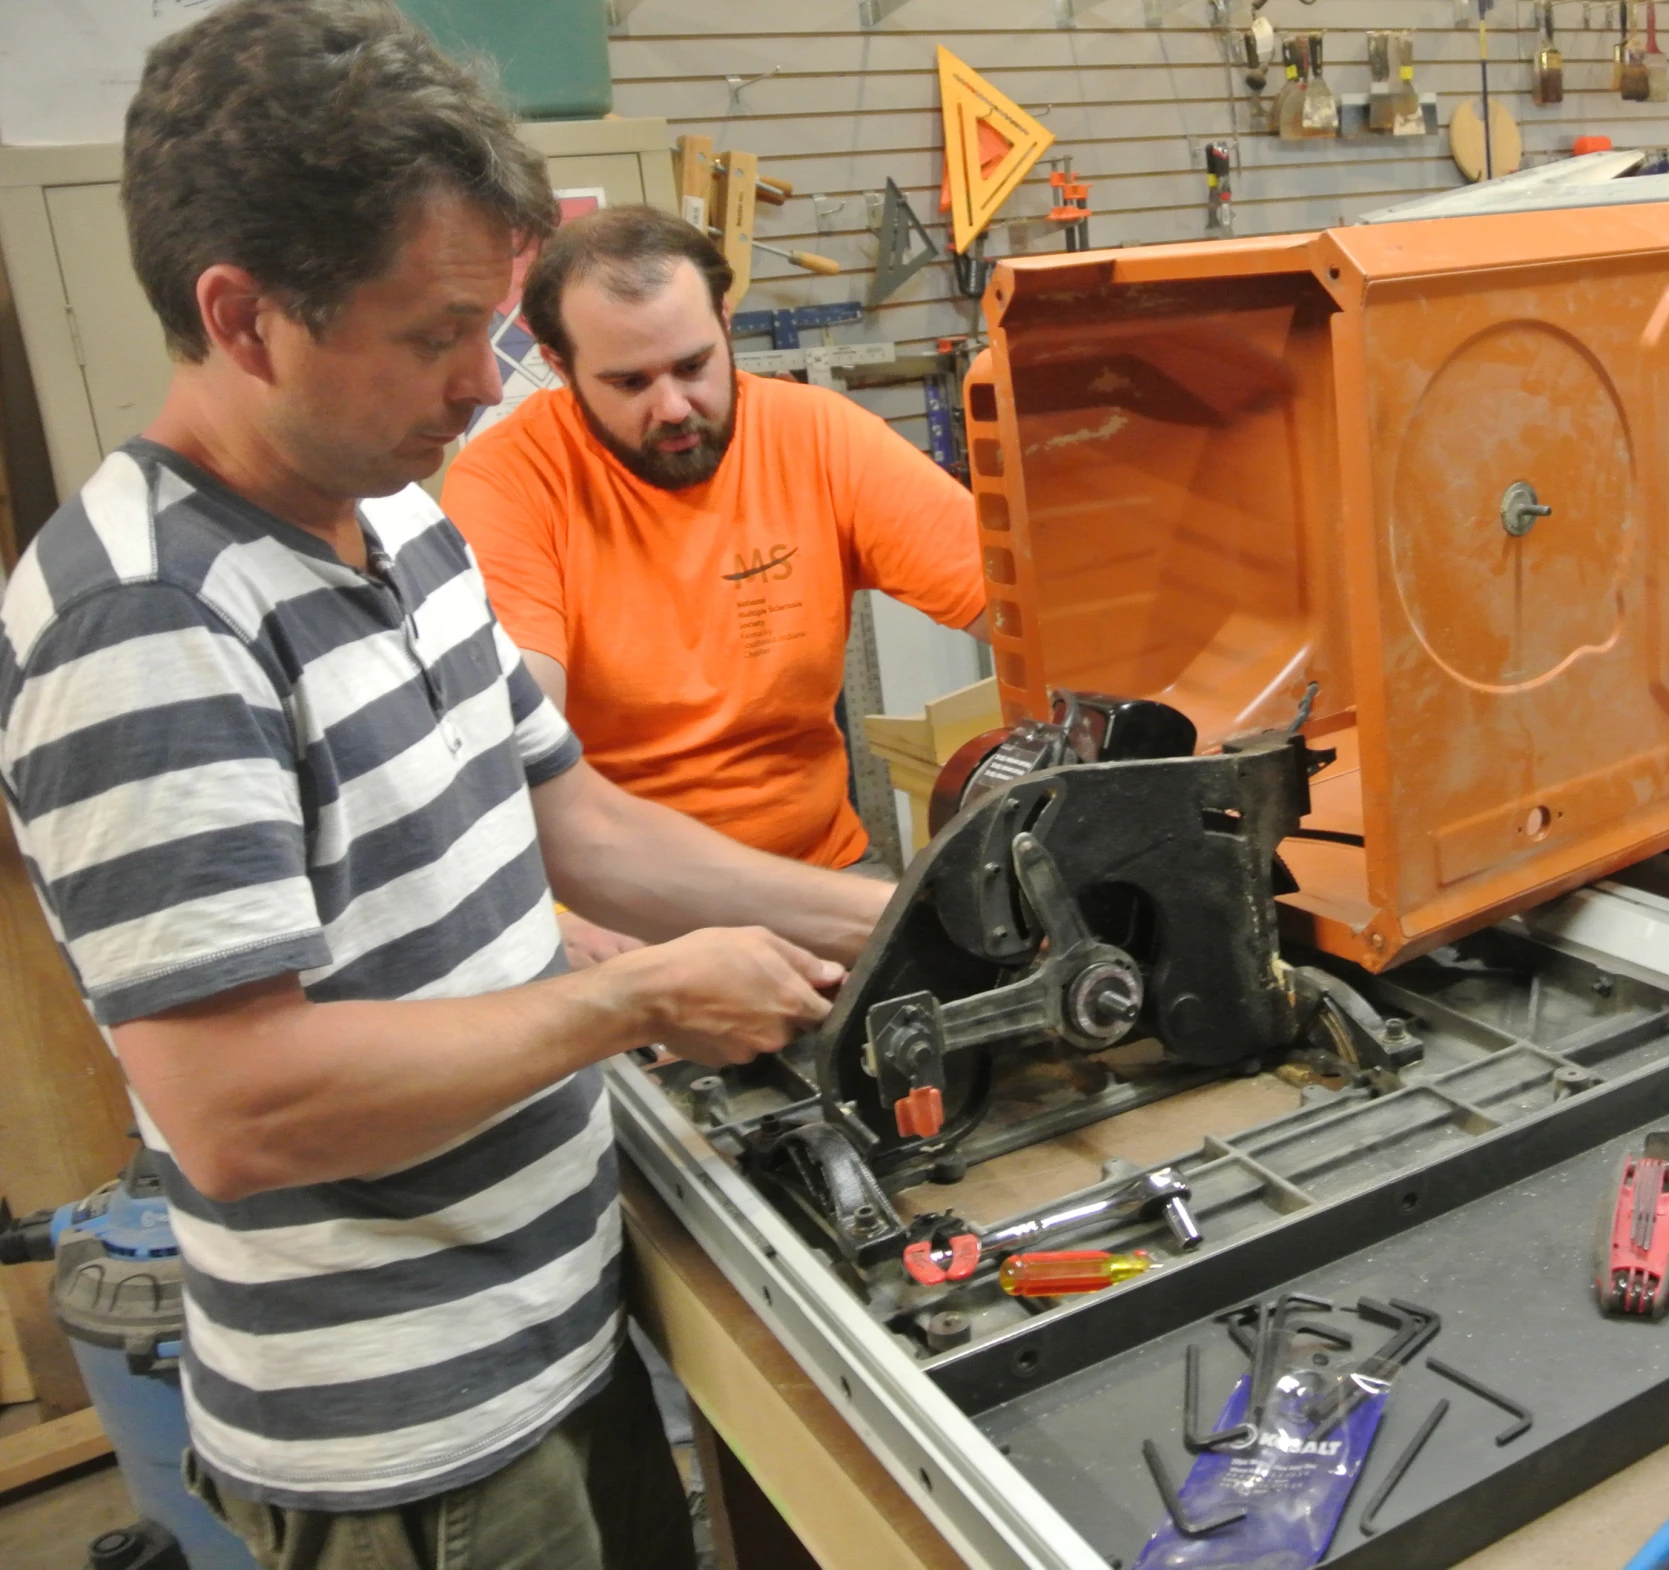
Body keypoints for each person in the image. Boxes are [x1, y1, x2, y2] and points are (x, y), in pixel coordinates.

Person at [0, 4, 889, 1565]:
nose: (485, 384)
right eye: (433, 335)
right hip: (412, 1440)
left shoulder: (397, 520)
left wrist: (903, 908)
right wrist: (635, 1002)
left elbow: (578, 820)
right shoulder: (143, 620)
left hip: (561, 1319)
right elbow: (238, 1107)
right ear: (245, 314)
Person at [440, 207, 987, 963]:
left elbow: (1028, 611)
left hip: (820, 880)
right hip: (620, 923)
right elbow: (517, 744)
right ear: (560, 367)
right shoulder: (507, 484)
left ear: (725, 322)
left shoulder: (817, 436)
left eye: (693, 366)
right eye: (629, 382)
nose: (672, 407)